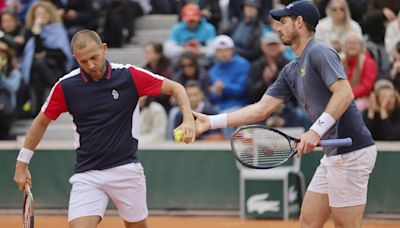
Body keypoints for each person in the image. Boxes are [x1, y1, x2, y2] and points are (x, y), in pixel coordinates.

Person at [194, 1, 376, 228]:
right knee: (308, 223)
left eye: (283, 22)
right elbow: (261, 109)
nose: (277, 28)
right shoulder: (291, 70)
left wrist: (314, 131)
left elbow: (344, 93)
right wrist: (211, 121)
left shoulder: (320, 51)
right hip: (333, 153)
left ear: (299, 22)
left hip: (352, 152)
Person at [14, 30, 196, 228]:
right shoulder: (65, 86)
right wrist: (22, 164)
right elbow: (41, 122)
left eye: (94, 57)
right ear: (76, 59)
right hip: (87, 174)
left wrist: (188, 120)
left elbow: (176, 87)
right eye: (83, 61)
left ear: (104, 49)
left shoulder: (129, 75)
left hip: (126, 170)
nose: (91, 65)